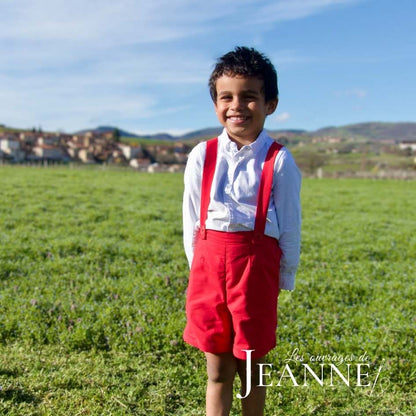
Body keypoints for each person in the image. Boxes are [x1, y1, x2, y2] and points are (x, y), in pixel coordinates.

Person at [182, 46, 301, 416]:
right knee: (217, 369)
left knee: (252, 367)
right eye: (226, 96)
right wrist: (197, 268)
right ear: (216, 103)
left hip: (255, 274)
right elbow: (191, 219)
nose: (237, 105)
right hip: (208, 270)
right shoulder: (203, 155)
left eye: (249, 96)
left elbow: (290, 224)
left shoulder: (278, 160)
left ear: (270, 104)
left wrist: (285, 275)